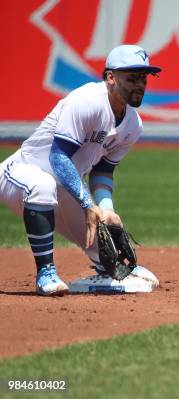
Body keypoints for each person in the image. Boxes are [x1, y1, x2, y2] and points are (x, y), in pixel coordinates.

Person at [0, 44, 161, 295]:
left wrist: (106, 209)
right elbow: (58, 158)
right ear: (110, 77)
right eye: (132, 78)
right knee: (43, 185)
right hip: (20, 173)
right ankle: (46, 273)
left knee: (105, 245)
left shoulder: (132, 124)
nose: (140, 84)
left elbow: (103, 172)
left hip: (66, 186)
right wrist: (88, 204)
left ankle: (106, 268)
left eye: (143, 78)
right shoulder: (86, 102)